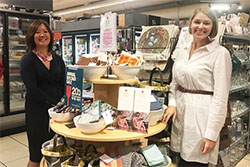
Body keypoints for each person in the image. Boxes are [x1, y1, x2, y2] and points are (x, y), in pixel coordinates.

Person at [162, 8, 232, 166]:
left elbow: (221, 98)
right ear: (190, 24)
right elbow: (174, 83)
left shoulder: (220, 54)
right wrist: (172, 104)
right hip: (179, 117)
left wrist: (212, 134)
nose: (201, 26)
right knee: (178, 160)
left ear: (212, 27)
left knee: (195, 162)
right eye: (197, 22)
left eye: (206, 23)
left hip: (201, 120)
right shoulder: (182, 50)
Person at [20, 19, 65, 167]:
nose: (42, 35)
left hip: (58, 113)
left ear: (50, 35)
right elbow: (32, 89)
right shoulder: (28, 60)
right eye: (37, 32)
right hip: (37, 113)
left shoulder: (58, 59)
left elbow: (63, 83)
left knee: (54, 152)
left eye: (45, 31)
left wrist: (63, 103)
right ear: (32, 36)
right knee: (36, 155)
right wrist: (55, 103)